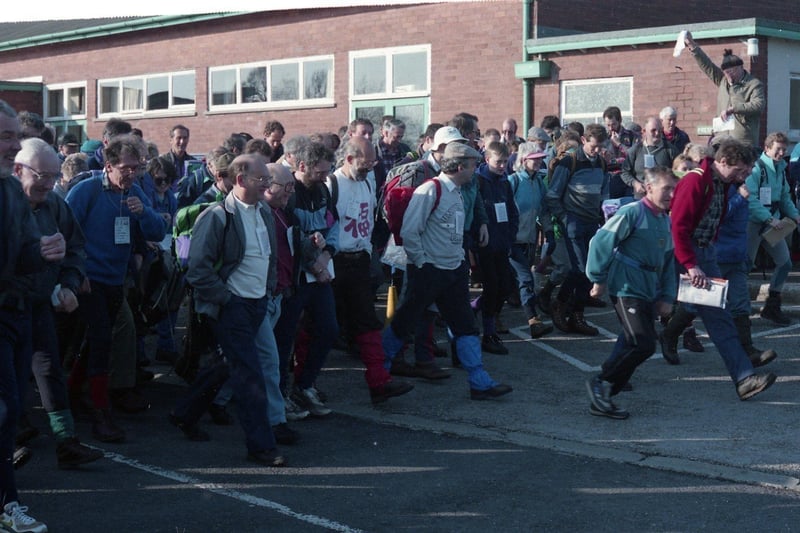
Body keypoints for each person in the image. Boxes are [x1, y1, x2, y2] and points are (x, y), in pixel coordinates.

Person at [175, 154, 286, 467]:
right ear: (240, 180)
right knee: (251, 375)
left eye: (268, 179)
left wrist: (266, 291)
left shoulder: (264, 212)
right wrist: (226, 300)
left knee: (229, 364)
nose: (267, 184)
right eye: (261, 179)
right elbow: (198, 269)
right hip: (233, 306)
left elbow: (268, 257)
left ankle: (184, 413)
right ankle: (261, 445)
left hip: (256, 303)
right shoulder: (217, 215)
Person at [382, 142, 513, 401]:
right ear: (461, 166)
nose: (477, 170)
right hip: (429, 271)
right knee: (403, 323)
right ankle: (379, 374)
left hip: (452, 270)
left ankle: (479, 381)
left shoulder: (457, 191)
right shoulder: (431, 189)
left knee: (465, 325)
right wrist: (422, 262)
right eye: (474, 165)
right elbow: (410, 231)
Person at [65, 134, 166, 442]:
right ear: (108, 165)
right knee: (100, 342)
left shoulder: (135, 193)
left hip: (114, 280)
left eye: (137, 168)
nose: (132, 174)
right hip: (88, 280)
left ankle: (72, 394)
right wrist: (75, 271)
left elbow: (158, 231)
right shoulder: (87, 190)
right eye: (126, 168)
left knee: (96, 341)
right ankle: (100, 412)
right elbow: (65, 229)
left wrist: (143, 213)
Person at [661, 137, 776, 400]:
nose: (744, 176)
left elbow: (715, 220)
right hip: (685, 254)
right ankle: (611, 375)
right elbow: (678, 227)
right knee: (647, 311)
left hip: (704, 253)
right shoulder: (694, 181)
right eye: (741, 170)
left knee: (718, 317)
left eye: (747, 172)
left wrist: (705, 253)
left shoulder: (723, 184)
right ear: (723, 162)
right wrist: (691, 265)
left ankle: (745, 379)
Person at [14, 138, 103, 469]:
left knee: (50, 369)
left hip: (39, 305)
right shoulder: (7, 206)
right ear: (18, 170)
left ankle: (66, 441)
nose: (49, 184)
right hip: (7, 306)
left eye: (54, 176)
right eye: (42, 175)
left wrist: (67, 284)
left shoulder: (55, 204)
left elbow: (76, 247)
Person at [0, 99, 62, 533]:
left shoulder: (8, 189)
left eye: (14, 136)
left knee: (11, 408)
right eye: (5, 137)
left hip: (15, 314)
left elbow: (20, 253)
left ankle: (7, 503)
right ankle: (9, 504)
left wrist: (43, 253)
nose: (13, 146)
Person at [585, 167, 677, 419]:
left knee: (631, 340)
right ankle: (603, 383)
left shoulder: (665, 220)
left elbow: (669, 262)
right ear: (649, 188)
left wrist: (667, 297)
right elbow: (600, 241)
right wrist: (598, 278)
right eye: (666, 188)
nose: (671, 194)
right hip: (626, 287)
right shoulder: (633, 213)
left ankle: (604, 390)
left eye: (673, 189)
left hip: (648, 289)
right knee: (644, 343)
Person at [327, 137, 414, 403]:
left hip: (359, 261)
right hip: (334, 263)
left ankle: (379, 381)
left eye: (372, 165)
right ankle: (301, 383)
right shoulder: (332, 184)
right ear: (349, 159)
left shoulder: (366, 181)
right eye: (364, 166)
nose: (368, 170)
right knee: (322, 326)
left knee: (367, 323)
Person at [273, 141, 339, 417]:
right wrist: (315, 264)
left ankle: (305, 384)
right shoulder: (289, 192)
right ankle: (280, 393)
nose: (325, 177)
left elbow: (333, 223)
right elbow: (290, 234)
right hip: (296, 277)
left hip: (319, 273)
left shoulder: (323, 189)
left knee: (329, 329)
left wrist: (326, 257)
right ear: (302, 166)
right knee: (284, 337)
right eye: (320, 172)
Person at [545, 123, 609, 336]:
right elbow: (553, 195)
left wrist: (605, 214)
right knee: (581, 270)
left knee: (589, 271)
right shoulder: (568, 162)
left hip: (592, 222)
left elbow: (603, 192)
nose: (598, 151)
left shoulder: (601, 163)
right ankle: (563, 305)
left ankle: (574, 313)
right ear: (583, 141)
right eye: (594, 146)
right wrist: (565, 219)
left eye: (601, 146)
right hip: (573, 222)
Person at [716, 178, 777, 367]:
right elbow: (719, 215)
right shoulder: (717, 186)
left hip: (736, 255)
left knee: (741, 304)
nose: (749, 172)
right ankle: (671, 334)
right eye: (745, 167)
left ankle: (747, 350)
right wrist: (740, 199)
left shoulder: (740, 185)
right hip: (716, 254)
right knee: (695, 306)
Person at [744, 132, 800, 325]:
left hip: (772, 222)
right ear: (767, 149)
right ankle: (739, 309)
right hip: (754, 223)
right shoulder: (757, 169)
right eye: (778, 149)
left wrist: (794, 215)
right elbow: (750, 199)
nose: (781, 153)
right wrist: (768, 219)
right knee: (744, 267)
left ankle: (772, 305)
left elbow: (784, 197)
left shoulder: (780, 169)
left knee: (785, 263)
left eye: (784, 149)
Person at [683, 31, 764, 150]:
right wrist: (692, 46)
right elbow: (707, 65)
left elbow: (758, 105)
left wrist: (734, 108)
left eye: (733, 72)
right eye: (726, 73)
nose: (729, 77)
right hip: (721, 141)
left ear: (741, 68)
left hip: (743, 142)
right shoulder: (723, 81)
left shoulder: (753, 84)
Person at [474, 141, 519, 354]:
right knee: (492, 286)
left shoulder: (505, 183)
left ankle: (475, 307)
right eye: (498, 162)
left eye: (505, 162)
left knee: (506, 286)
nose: (502, 166)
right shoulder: (478, 181)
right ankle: (488, 333)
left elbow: (512, 211)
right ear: (487, 160)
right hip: (484, 245)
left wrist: (510, 237)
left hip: (501, 242)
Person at [507, 142, 554, 339]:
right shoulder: (513, 181)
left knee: (508, 284)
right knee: (526, 279)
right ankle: (534, 321)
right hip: (512, 240)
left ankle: (480, 311)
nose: (539, 161)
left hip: (529, 240)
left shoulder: (538, 183)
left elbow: (543, 210)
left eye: (540, 157)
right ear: (523, 160)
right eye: (534, 158)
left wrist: (550, 232)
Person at [620, 116, 678, 198]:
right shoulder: (635, 150)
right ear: (644, 131)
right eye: (653, 130)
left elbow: (678, 173)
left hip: (663, 198)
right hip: (641, 198)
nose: (657, 133)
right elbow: (624, 171)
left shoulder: (670, 150)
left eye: (660, 131)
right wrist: (635, 183)